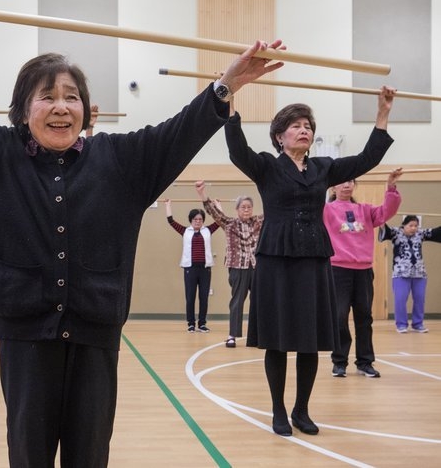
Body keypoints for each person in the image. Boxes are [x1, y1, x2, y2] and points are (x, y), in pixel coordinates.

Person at [0, 0, 282, 466]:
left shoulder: (121, 160)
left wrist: (225, 88)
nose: (61, 106)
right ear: (23, 109)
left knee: (89, 456)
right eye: (47, 96)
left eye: (72, 97)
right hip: (24, 336)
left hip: (96, 332)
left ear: (86, 110)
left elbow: (180, 131)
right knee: (29, 455)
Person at [225, 86, 396, 437]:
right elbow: (236, 149)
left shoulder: (323, 168)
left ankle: (301, 410)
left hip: (313, 259)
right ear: (279, 136)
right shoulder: (267, 167)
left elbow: (366, 159)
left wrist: (382, 113)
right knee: (276, 338)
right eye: (296, 125)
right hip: (275, 259)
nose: (305, 130)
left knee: (309, 337)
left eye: (308, 125)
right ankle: (277, 410)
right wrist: (228, 103)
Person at [323, 170, 402, 379]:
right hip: (337, 270)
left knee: (364, 318)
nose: (347, 185)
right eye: (342, 182)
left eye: (350, 181)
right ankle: (339, 362)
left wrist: (391, 187)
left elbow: (387, 211)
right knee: (339, 317)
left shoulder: (365, 210)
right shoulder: (326, 210)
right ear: (333, 187)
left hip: (363, 271)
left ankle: (365, 362)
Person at [196, 180, 264, 348]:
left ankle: (259, 335)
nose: (246, 209)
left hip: (256, 266)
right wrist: (202, 193)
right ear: (237, 209)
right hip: (237, 267)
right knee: (237, 301)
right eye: (243, 207)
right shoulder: (230, 224)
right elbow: (213, 212)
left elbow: (275, 210)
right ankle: (232, 335)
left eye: (249, 207)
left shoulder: (258, 221)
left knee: (260, 301)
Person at [379, 215, 441, 333]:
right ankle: (401, 325)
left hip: (419, 273)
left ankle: (418, 324)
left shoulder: (420, 234)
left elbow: (436, 232)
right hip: (400, 273)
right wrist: (381, 221)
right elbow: (384, 230)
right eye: (411, 225)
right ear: (404, 225)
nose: (414, 228)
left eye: (416, 226)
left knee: (419, 299)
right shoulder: (395, 232)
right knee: (400, 299)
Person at [164, 200, 219, 333]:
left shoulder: (208, 230)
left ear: (203, 220)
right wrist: (168, 205)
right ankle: (190, 323)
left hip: (205, 269)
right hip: (190, 268)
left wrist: (217, 205)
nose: (198, 221)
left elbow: (219, 220)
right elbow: (171, 221)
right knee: (190, 297)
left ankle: (202, 324)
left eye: (200, 219)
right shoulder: (185, 231)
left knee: (203, 297)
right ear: (191, 220)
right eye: (195, 219)